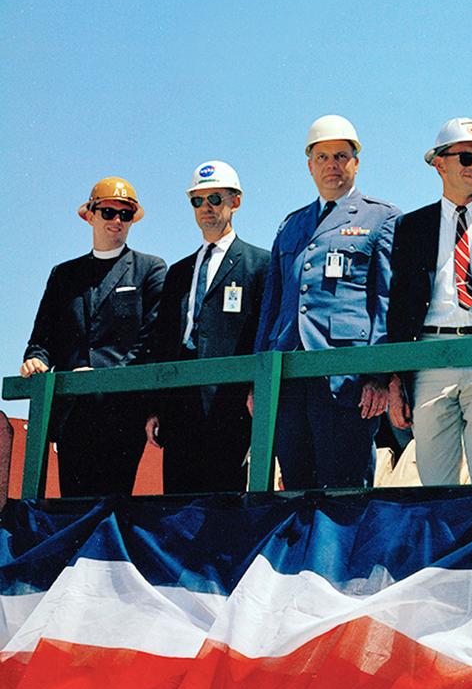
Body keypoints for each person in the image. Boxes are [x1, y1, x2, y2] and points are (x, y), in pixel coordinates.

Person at [252, 115, 400, 489]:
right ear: (309, 165)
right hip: (288, 374)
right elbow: (272, 304)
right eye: (322, 158)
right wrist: (259, 379)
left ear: (356, 162)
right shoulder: (292, 224)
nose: (331, 166)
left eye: (340, 156)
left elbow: (386, 302)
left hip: (346, 378)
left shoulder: (381, 217)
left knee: (344, 491)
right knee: (295, 486)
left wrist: (378, 376)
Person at [385, 117, 472, 485]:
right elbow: (399, 306)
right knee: (434, 482)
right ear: (440, 163)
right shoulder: (411, 226)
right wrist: (396, 378)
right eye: (466, 158)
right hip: (430, 357)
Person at [21, 177, 166, 495]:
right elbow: (42, 340)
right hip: (71, 415)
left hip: (122, 415)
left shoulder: (150, 271)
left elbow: (151, 342)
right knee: (72, 509)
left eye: (125, 215)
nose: (116, 221)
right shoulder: (64, 276)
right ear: (90, 215)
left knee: (112, 511)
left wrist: (101, 377)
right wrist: (35, 359)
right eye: (108, 212)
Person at [145, 161, 269, 494]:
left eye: (215, 198)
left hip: (230, 406)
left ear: (236, 201)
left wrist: (256, 390)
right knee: (177, 505)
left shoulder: (260, 265)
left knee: (226, 505)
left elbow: (264, 332)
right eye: (197, 201)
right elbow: (163, 341)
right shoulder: (178, 272)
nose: (206, 208)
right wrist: (156, 406)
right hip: (179, 407)